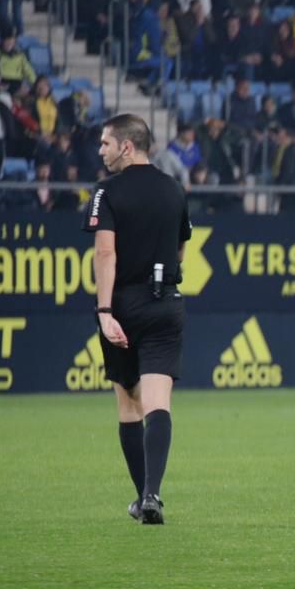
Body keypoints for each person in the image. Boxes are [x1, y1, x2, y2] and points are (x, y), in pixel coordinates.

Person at [85, 114, 192, 525]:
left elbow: (105, 253)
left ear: (127, 146)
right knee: (158, 404)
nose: (101, 151)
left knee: (129, 404)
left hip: (126, 304)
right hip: (167, 302)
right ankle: (152, 495)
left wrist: (105, 310)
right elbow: (181, 250)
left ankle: (142, 496)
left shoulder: (106, 192)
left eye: (105, 144)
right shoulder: (173, 188)